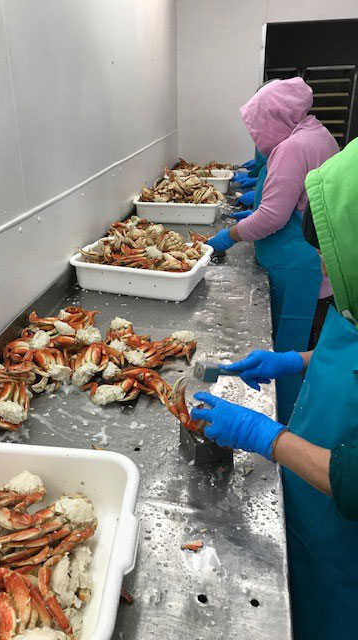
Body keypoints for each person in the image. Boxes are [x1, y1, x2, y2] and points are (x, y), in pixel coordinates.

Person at [191, 138, 358, 640]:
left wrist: (265, 436)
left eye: (333, 255)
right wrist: (297, 360)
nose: (324, 270)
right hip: (313, 503)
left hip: (344, 543)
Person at [207, 77, 339, 423]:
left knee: (290, 351)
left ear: (274, 118)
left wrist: (229, 235)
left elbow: (273, 217)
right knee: (297, 352)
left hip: (299, 271)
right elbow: (294, 199)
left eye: (257, 126)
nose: (256, 136)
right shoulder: (315, 134)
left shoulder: (294, 148)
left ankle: (286, 425)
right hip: (308, 263)